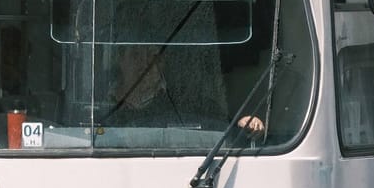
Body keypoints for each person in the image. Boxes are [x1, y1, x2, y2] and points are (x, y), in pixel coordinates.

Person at [99, 46, 266, 135]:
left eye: (152, 55)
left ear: (162, 63)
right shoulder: (97, 104)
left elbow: (223, 128)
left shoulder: (188, 102)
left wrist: (243, 124)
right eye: (135, 54)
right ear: (120, 59)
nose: (145, 63)